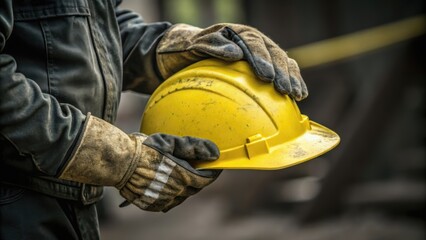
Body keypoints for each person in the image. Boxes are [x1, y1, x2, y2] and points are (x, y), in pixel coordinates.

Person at [0, 0, 308, 239]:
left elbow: (96, 33)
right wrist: (119, 160)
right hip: (13, 200)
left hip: (65, 192)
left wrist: (184, 47)